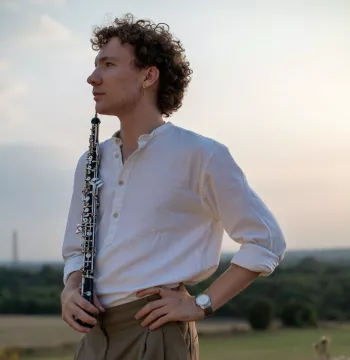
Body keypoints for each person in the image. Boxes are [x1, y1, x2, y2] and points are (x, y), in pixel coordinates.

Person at [61, 13, 287, 360]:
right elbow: (76, 251)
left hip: (156, 332)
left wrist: (202, 303)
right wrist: (71, 289)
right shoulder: (90, 161)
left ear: (149, 75)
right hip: (94, 336)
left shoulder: (200, 154)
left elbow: (266, 240)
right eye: (96, 65)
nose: (93, 78)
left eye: (108, 64)